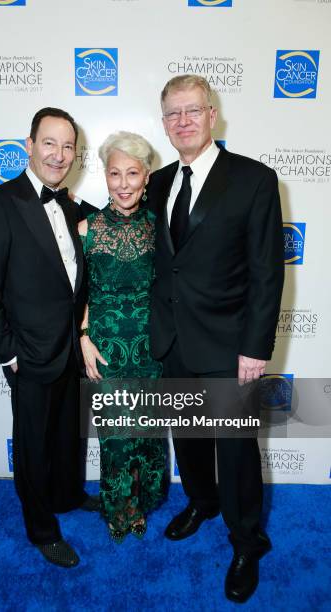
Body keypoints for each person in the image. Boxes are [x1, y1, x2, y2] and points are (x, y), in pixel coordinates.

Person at [147, 76, 284, 603]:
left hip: (230, 343)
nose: (182, 121)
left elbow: (267, 272)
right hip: (173, 340)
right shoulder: (157, 182)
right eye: (172, 114)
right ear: (163, 124)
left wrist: (256, 346)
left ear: (212, 115)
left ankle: (248, 539)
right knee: (189, 437)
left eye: (192, 111)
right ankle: (202, 503)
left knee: (237, 450)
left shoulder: (253, 179)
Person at [0, 107, 98, 568]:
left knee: (66, 433)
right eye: (49, 143)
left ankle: (66, 494)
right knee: (33, 444)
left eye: (67, 146)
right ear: (29, 145)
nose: (59, 155)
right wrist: (8, 352)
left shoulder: (78, 208)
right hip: (28, 353)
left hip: (70, 351)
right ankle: (41, 527)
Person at [78, 131, 166, 543]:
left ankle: (141, 504)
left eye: (133, 173)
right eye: (116, 173)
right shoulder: (86, 228)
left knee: (146, 433)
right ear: (106, 176)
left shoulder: (160, 226)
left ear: (146, 176)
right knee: (114, 435)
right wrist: (83, 336)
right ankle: (118, 509)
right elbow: (79, 292)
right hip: (106, 347)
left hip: (150, 347)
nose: (124, 183)